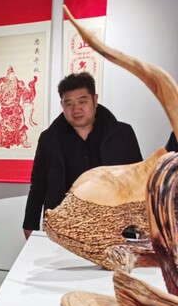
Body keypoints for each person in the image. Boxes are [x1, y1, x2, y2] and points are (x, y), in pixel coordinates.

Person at [22, 72, 143, 239]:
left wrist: (145, 227)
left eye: (82, 101)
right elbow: (39, 184)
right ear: (62, 105)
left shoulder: (122, 134)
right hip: (65, 228)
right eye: (69, 103)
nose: (76, 109)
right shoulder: (49, 139)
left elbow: (138, 182)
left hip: (115, 226)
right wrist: (30, 223)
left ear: (95, 99)